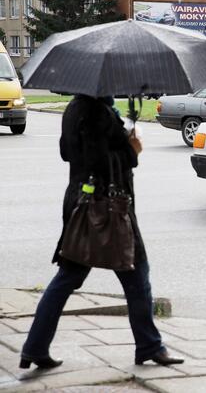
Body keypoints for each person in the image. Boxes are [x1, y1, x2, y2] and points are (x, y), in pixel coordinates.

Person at [20, 95, 183, 369]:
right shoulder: (97, 112)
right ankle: (149, 346)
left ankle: (35, 347)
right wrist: (132, 150)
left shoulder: (75, 108)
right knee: (137, 275)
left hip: (81, 202)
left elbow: (66, 152)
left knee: (68, 277)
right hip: (106, 208)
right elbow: (98, 160)